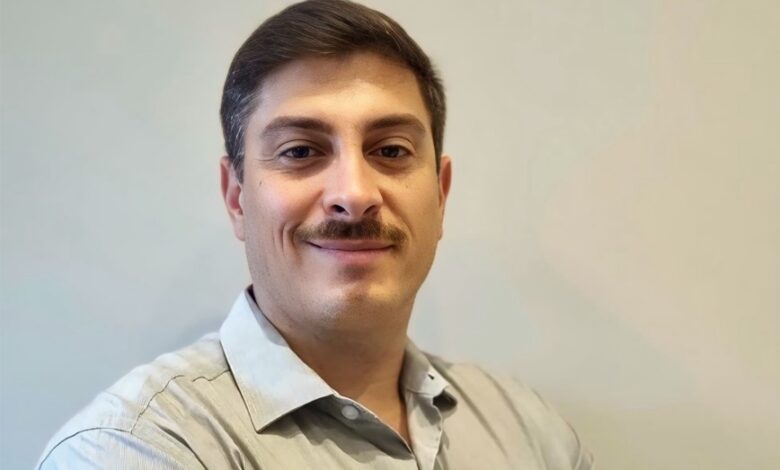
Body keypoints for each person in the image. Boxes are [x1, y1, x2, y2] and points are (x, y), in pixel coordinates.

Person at [37, 1, 594, 468]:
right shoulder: (135, 448)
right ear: (236, 197)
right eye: (300, 151)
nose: (355, 193)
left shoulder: (532, 435)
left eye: (391, 150)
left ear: (441, 194)